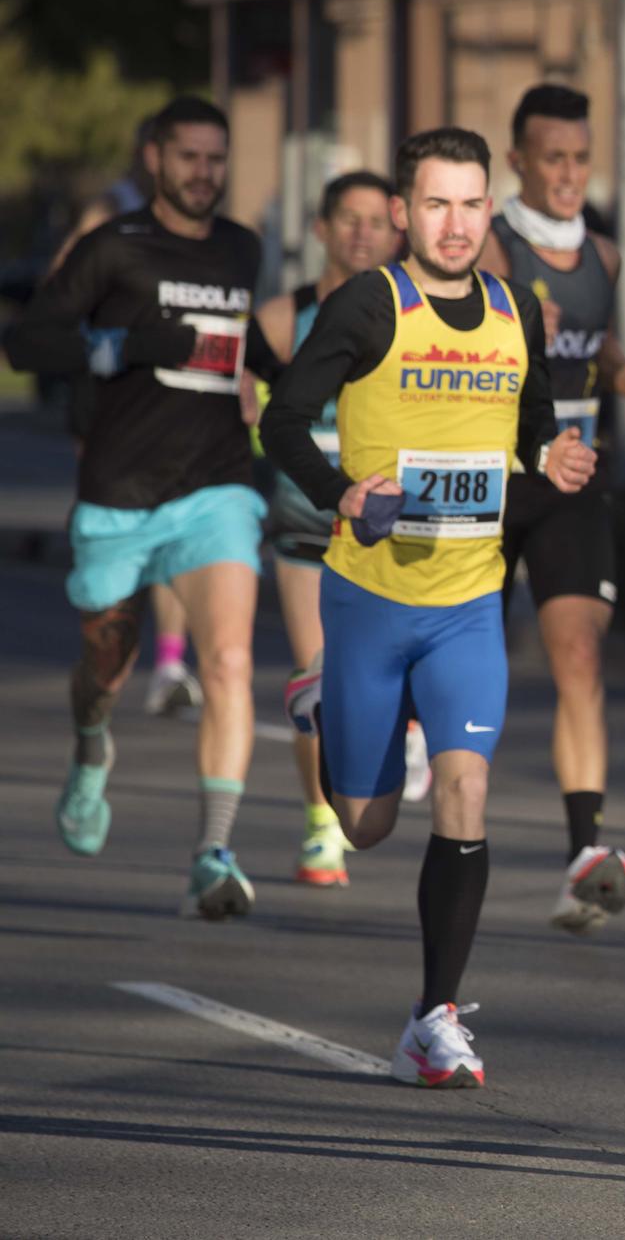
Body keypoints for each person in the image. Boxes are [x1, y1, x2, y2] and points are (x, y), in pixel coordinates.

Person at [262, 126, 595, 1088]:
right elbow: (283, 417)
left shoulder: (512, 306)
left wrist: (551, 453)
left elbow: (531, 417)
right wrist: (341, 492)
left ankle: (432, 1016)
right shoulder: (369, 305)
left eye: (471, 204)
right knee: (365, 823)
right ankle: (327, 702)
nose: (455, 224)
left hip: (466, 604)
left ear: (491, 210)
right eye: (437, 204)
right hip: (369, 597)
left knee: (465, 792)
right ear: (405, 213)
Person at [3, 96, 281, 920]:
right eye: (189, 157)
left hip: (217, 485)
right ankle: (92, 748)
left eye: (217, 159)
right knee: (105, 674)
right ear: (155, 160)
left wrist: (284, 375)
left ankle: (214, 849)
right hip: (120, 491)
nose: (205, 173)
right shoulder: (112, 248)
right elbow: (28, 342)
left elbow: (238, 342)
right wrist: (117, 345)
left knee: (228, 661)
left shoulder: (241, 247)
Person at [479, 84, 625, 935]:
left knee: (580, 655)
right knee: (463, 659)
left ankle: (582, 857)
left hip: (576, 474)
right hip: (493, 472)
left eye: (580, 158)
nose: (567, 173)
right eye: (551, 158)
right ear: (517, 160)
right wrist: (516, 323)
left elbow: (598, 341)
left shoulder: (605, 255)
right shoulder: (491, 244)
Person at [250, 170, 421, 888]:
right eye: (346, 219)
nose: (361, 233)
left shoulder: (414, 318)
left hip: (388, 525)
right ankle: (322, 823)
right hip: (306, 523)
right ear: (320, 229)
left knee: (397, 666)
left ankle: (405, 728)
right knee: (319, 677)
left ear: (395, 230)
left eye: (375, 222)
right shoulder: (283, 319)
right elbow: (252, 410)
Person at [45, 117, 202, 722]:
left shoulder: (194, 220)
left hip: (176, 394)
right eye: (176, 155)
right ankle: (111, 630)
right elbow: (64, 286)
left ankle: (168, 660)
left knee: (175, 517)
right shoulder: (111, 210)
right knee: (121, 520)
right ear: (150, 155)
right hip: (110, 391)